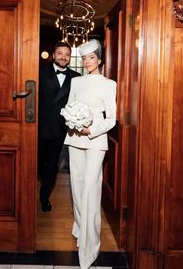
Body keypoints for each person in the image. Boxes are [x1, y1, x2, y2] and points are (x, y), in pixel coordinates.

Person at [63, 39, 117, 269]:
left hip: (96, 142)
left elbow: (111, 119)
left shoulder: (108, 84)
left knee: (89, 190)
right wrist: (72, 122)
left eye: (91, 57)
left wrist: (91, 129)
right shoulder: (76, 82)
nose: (87, 62)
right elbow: (67, 108)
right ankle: (80, 226)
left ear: (100, 60)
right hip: (74, 139)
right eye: (84, 58)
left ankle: (90, 246)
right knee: (76, 187)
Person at [38, 41, 80, 212]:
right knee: (38, 162)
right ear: (54, 55)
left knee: (52, 165)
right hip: (40, 127)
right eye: (60, 53)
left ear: (70, 57)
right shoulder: (40, 73)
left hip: (59, 129)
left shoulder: (76, 77)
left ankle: (44, 197)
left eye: (67, 54)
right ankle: (44, 179)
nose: (63, 57)